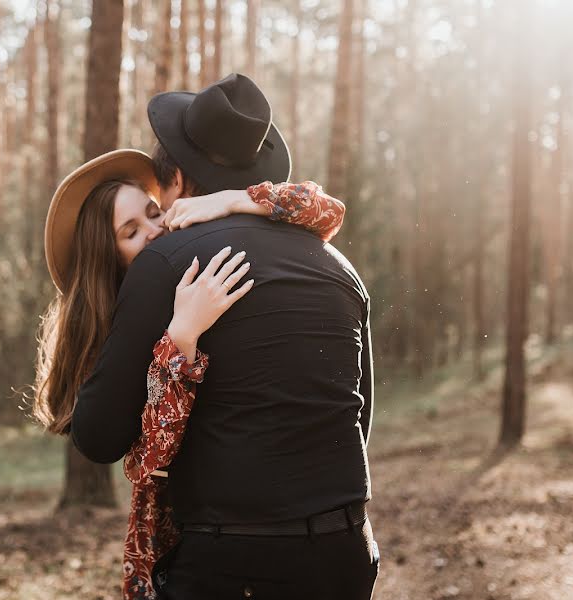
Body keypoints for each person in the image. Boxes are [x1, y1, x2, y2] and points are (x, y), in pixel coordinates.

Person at [71, 73, 379, 599]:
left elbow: (98, 436)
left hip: (231, 565)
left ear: (177, 183)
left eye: (156, 205)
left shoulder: (167, 264)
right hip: (348, 553)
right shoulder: (338, 265)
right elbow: (358, 416)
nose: (159, 222)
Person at [34, 149, 345, 599]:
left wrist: (234, 200)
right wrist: (181, 336)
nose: (155, 229)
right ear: (109, 257)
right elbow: (148, 457)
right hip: (179, 548)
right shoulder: (131, 324)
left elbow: (327, 210)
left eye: (153, 212)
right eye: (130, 231)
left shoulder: (191, 260)